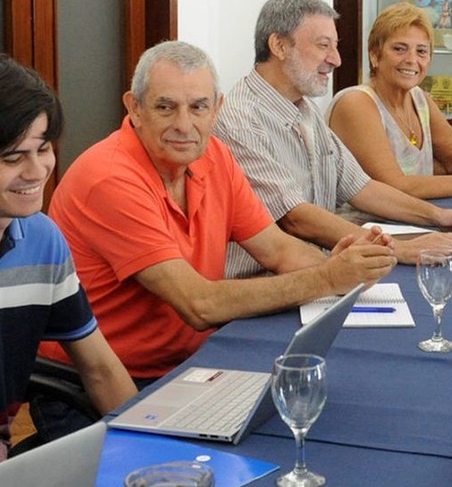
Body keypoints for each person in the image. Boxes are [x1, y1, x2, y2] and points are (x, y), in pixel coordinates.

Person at [37, 40, 395, 394]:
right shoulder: (110, 178)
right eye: (165, 107)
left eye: (198, 107)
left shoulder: (215, 156)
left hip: (191, 363)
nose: (184, 124)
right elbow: (199, 305)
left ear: (217, 109)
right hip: (103, 384)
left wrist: (343, 266)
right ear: (134, 108)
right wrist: (329, 276)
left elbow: (278, 251)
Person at [214, 0, 452, 274]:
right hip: (264, 288)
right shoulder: (240, 120)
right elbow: (295, 218)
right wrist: (396, 249)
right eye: (323, 45)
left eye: (335, 46)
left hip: (322, 269)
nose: (336, 59)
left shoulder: (304, 109)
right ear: (279, 46)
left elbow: (362, 187)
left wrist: (440, 217)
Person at [0, 55, 136, 459]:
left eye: (43, 149)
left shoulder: (42, 240)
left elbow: (100, 369)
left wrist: (154, 458)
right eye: (12, 158)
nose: (37, 170)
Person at [327, 2, 452, 199]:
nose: (411, 59)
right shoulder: (356, 103)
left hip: (419, 218)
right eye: (400, 49)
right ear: (375, 55)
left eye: (421, 51)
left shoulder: (420, 99)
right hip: (364, 227)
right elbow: (394, 187)